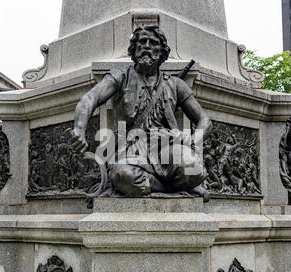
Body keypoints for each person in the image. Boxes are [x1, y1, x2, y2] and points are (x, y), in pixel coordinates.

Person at [70, 25, 212, 199]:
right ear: (134, 48)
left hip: (167, 146)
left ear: (162, 51)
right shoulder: (120, 77)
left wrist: (192, 139)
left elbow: (205, 120)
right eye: (141, 41)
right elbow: (89, 99)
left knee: (193, 167)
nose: (146, 46)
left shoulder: (175, 84)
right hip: (130, 148)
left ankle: (162, 184)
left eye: (153, 43)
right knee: (123, 176)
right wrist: (79, 129)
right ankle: (175, 189)